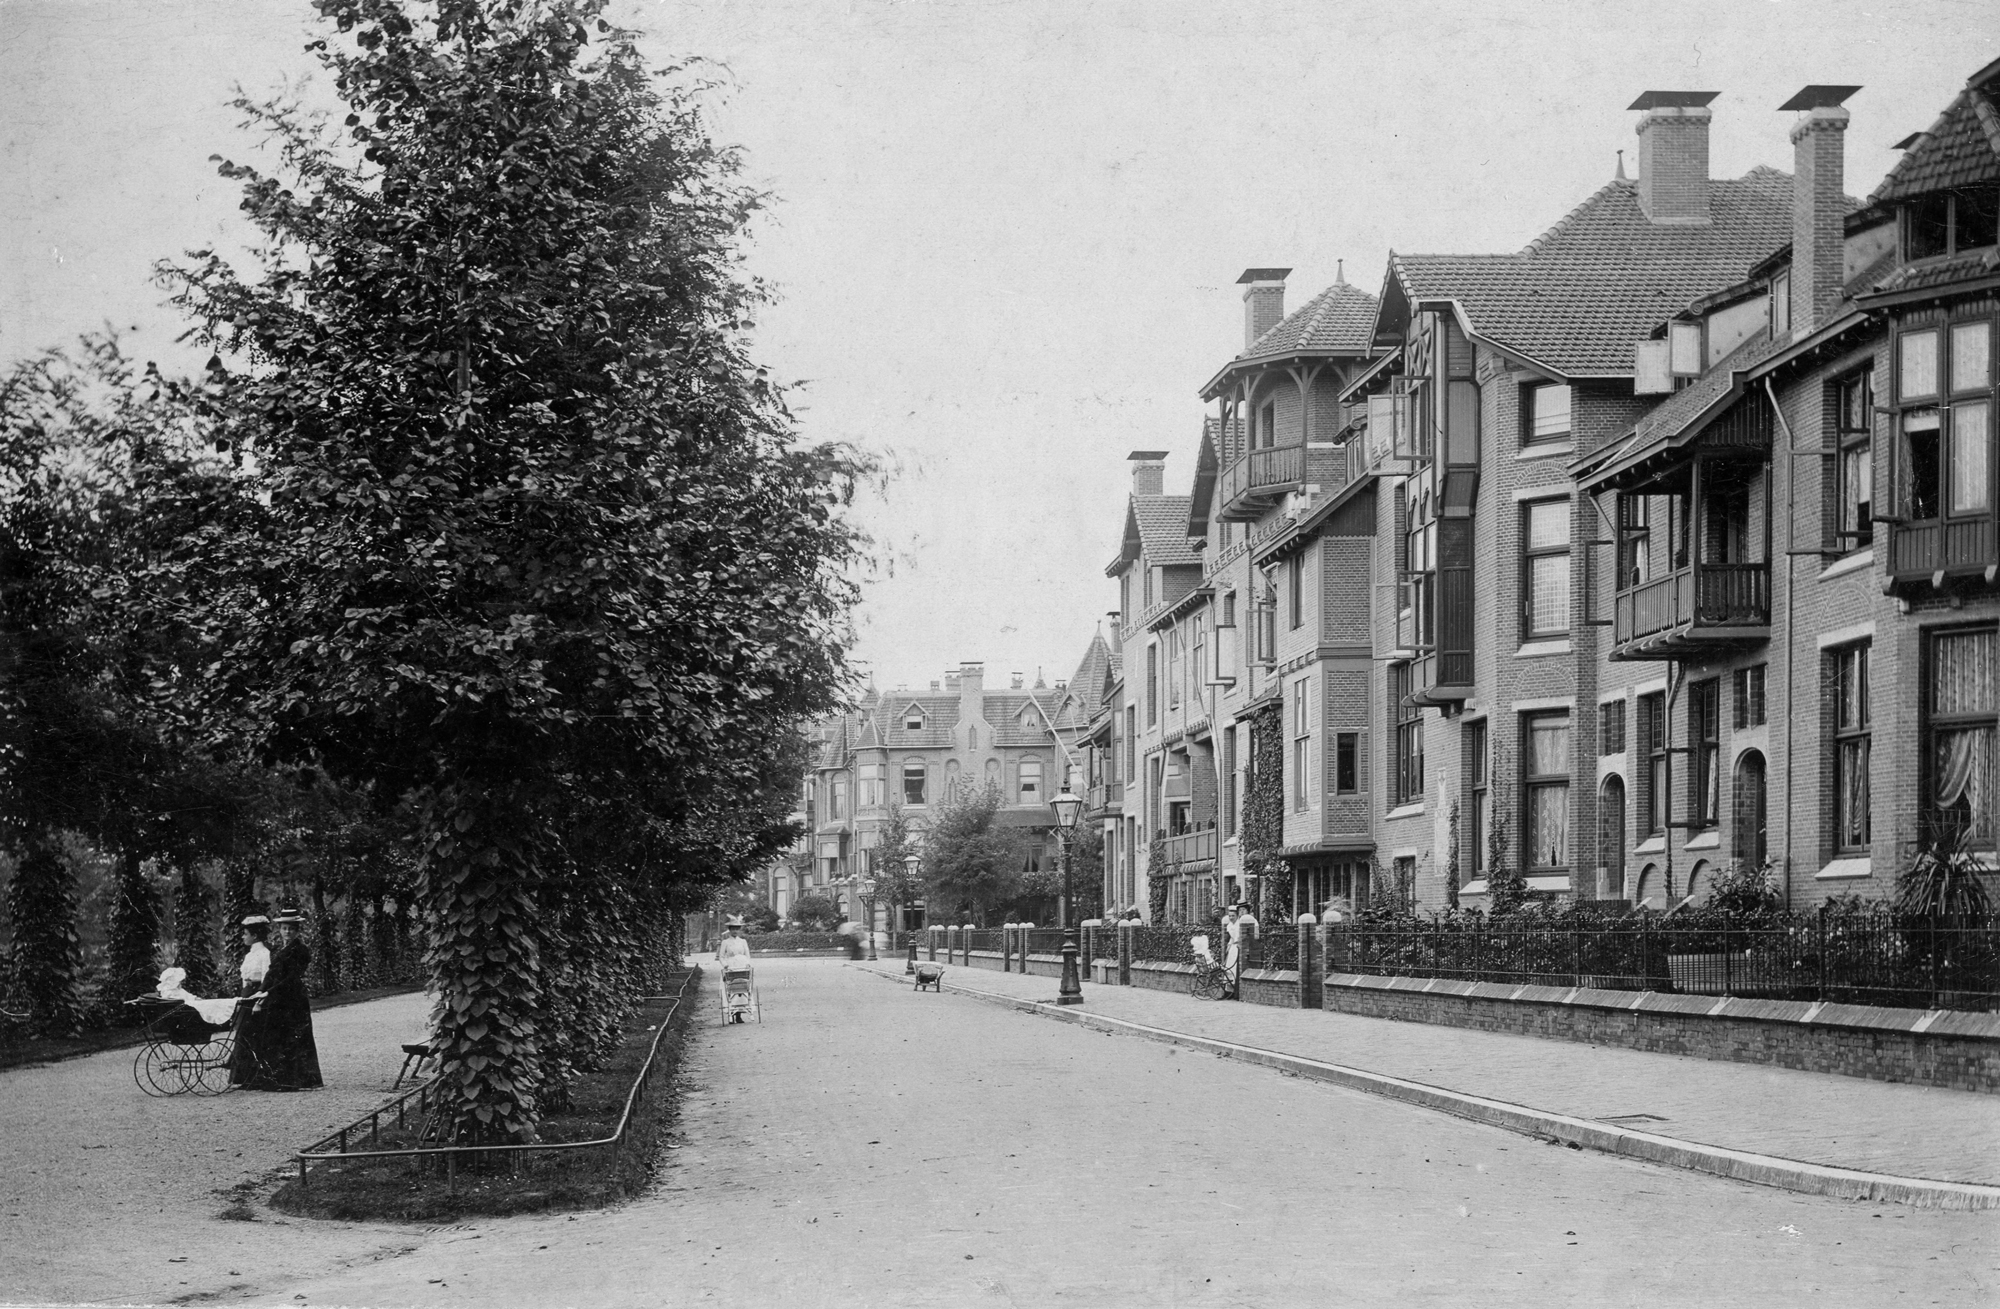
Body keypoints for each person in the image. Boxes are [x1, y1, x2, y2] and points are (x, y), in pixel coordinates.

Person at [238, 909, 324, 1091]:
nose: (287, 932)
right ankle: (277, 1078)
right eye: (284, 928)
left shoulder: (301, 950)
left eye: (291, 929)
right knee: (277, 1038)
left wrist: (269, 992)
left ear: (297, 930)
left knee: (294, 1038)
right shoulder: (278, 949)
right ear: (280, 929)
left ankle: (297, 1080)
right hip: (278, 999)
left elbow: (292, 977)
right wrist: (261, 990)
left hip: (293, 999)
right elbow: (271, 973)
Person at [228, 915, 273, 1089]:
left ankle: (255, 1077)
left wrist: (258, 1003)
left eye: (245, 934)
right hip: (246, 995)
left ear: (255, 935)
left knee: (252, 1036)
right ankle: (243, 1077)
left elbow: (265, 979)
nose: (243, 937)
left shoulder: (264, 954)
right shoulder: (250, 955)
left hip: (256, 996)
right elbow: (244, 980)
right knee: (242, 1036)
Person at [717, 917, 754, 1023]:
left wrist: (747, 964)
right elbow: (721, 957)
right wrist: (725, 965)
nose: (735, 931)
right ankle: (731, 1013)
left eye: (737, 929)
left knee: (742, 988)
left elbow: (747, 955)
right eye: (733, 929)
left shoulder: (743, 941)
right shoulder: (725, 942)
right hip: (731, 967)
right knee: (730, 989)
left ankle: (739, 1015)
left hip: (742, 967)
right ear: (729, 929)